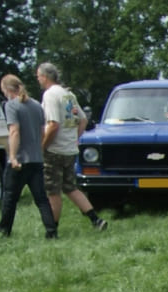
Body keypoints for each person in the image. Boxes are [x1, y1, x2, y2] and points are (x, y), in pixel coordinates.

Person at [36, 62, 107, 232]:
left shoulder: (50, 95)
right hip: (69, 150)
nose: (38, 79)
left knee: (53, 192)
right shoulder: (69, 94)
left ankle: (52, 230)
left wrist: (42, 146)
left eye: (38, 76)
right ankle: (95, 220)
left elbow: (53, 125)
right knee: (70, 187)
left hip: (55, 150)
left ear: (44, 77)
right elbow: (83, 120)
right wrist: (74, 138)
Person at [0, 74, 57, 239]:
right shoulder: (37, 105)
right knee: (41, 199)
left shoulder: (11, 106)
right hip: (36, 159)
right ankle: (51, 231)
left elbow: (14, 131)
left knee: (10, 197)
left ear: (7, 90)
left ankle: (3, 231)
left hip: (20, 160)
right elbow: (42, 131)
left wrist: (13, 156)